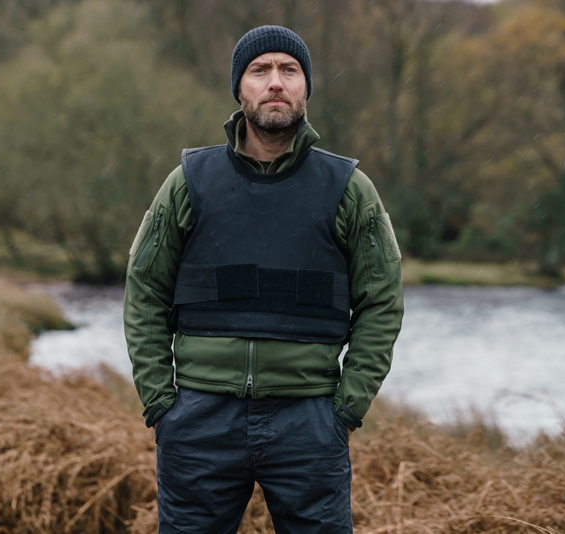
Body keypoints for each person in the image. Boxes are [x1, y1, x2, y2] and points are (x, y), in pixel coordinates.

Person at [124, 25, 403, 533]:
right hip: (199, 420)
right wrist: (161, 402)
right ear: (240, 88)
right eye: (260, 70)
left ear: (306, 87)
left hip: (309, 423)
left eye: (289, 70)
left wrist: (347, 408)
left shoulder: (349, 189)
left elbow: (381, 302)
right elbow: (144, 289)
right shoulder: (189, 182)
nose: (275, 81)